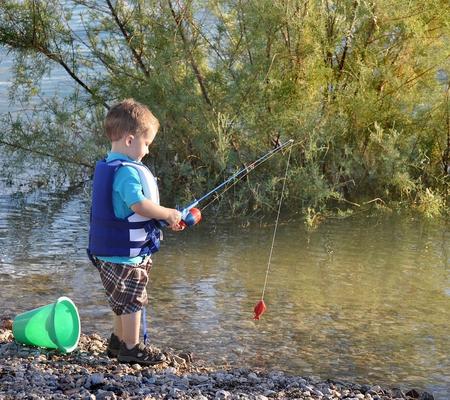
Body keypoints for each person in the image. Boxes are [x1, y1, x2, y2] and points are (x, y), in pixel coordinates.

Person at [87, 98, 182, 365]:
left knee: (121, 299)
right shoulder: (128, 173)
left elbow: (131, 212)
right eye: (147, 143)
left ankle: (117, 342)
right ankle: (131, 347)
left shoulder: (110, 165)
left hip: (110, 252)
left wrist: (162, 219)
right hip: (124, 255)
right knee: (132, 300)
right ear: (130, 140)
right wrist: (167, 213)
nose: (148, 151)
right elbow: (138, 204)